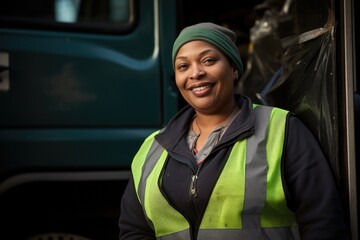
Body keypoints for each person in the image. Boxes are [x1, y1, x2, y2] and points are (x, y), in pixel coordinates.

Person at [118, 22, 351, 240]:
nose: (195, 73)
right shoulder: (153, 147)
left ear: (233, 69)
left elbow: (323, 222)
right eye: (183, 66)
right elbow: (134, 230)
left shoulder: (283, 129)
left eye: (208, 60)